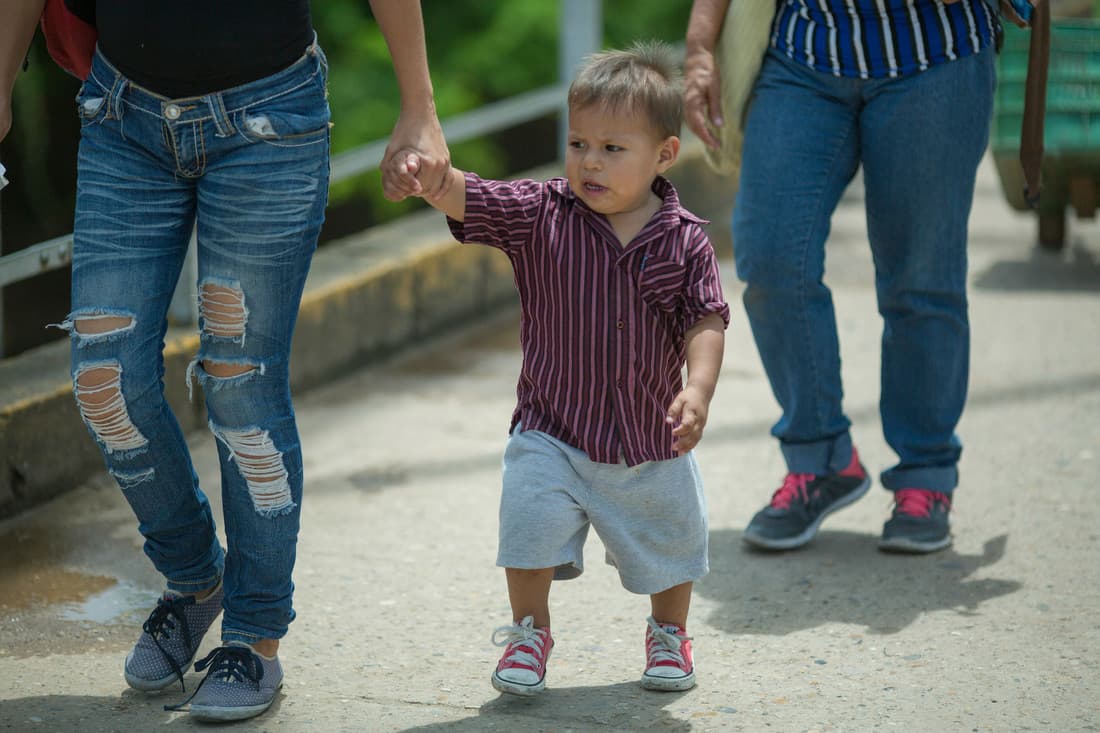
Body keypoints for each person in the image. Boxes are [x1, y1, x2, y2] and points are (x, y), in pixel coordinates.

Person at [1, 0, 450, 722]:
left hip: (268, 122)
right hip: (124, 116)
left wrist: (419, 107)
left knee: (242, 389)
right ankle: (195, 578)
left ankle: (254, 637)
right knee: (103, 380)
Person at [402, 41, 729, 695]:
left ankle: (669, 632)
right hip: (552, 427)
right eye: (579, 142)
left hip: (648, 436)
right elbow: (475, 198)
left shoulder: (684, 237)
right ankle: (529, 631)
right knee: (526, 528)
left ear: (665, 153)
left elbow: (706, 319)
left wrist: (697, 389)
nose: (589, 161)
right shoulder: (540, 214)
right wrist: (432, 177)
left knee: (672, 537)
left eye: (613, 148)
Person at [684, 0, 1028, 554]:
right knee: (771, 257)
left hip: (934, 53)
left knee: (920, 279)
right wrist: (701, 46)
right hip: (806, 54)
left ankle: (926, 473)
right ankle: (821, 459)